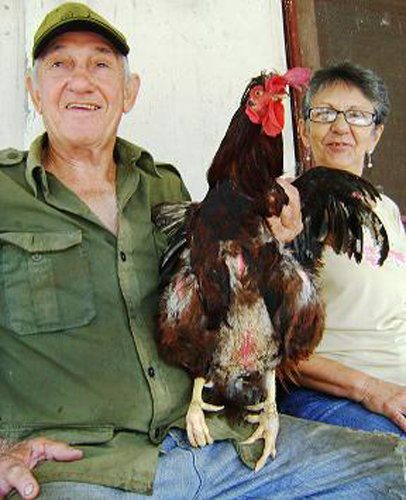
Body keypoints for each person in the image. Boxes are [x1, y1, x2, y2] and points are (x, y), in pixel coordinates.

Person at [0, 4, 404, 497]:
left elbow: (232, 301)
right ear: (32, 89)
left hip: (217, 441)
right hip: (87, 467)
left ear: (129, 92)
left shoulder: (163, 187)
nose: (81, 81)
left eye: (101, 64)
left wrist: (279, 246)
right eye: (60, 64)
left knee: (393, 470)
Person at [279, 62, 406, 438]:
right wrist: (370, 390)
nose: (340, 126)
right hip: (334, 395)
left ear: (376, 134)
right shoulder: (287, 208)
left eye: (357, 115)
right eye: (324, 113)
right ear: (303, 129)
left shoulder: (386, 208)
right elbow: (266, 346)